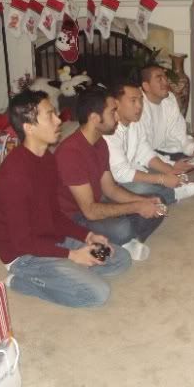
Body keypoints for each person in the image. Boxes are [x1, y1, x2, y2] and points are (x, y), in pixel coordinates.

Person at [0, 90, 131, 307]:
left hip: (50, 238)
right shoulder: (14, 174)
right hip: (23, 255)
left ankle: (65, 273)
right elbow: (21, 242)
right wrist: (72, 255)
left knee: (120, 259)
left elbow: (55, 214)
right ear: (29, 127)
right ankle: (20, 281)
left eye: (55, 114)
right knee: (97, 294)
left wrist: (87, 235)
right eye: (50, 116)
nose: (58, 120)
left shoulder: (47, 159)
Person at [55, 86, 165, 261]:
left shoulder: (100, 143)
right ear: (94, 118)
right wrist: (136, 207)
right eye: (113, 112)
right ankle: (122, 240)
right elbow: (90, 211)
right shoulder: (71, 153)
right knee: (122, 228)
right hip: (74, 218)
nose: (117, 117)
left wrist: (143, 202)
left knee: (158, 203)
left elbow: (110, 189)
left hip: (97, 203)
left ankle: (126, 243)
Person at [104, 78, 194, 206]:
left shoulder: (135, 122)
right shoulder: (108, 130)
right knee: (140, 188)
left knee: (155, 175)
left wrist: (169, 169)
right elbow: (121, 173)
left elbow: (144, 152)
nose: (139, 106)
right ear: (116, 104)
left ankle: (164, 191)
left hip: (131, 169)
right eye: (133, 101)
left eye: (141, 100)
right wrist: (162, 179)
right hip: (112, 182)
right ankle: (172, 194)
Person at [139, 64, 194, 164]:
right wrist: (169, 164)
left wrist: (192, 149)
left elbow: (178, 132)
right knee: (148, 163)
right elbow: (141, 148)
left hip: (163, 150)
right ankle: (181, 166)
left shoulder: (169, 99)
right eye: (159, 79)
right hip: (144, 154)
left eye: (165, 78)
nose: (166, 82)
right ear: (146, 86)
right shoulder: (138, 106)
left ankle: (185, 165)